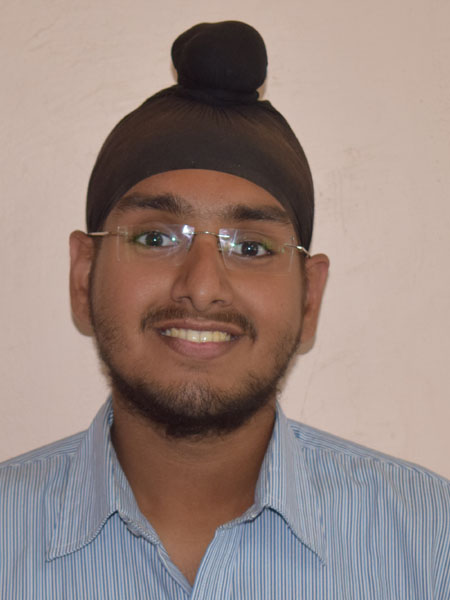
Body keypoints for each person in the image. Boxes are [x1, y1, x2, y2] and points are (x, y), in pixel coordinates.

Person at [1, 20, 449, 599]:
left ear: (309, 297)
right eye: (157, 238)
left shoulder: (430, 544)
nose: (203, 286)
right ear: (84, 276)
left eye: (252, 247)